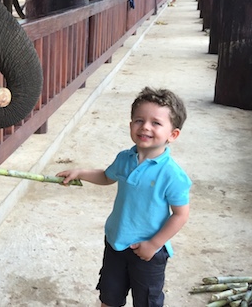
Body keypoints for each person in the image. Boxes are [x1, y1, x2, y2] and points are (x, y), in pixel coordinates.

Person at [56, 87, 191, 307]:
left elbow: (180, 215)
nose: (145, 126)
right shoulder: (124, 158)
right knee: (109, 296)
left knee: (147, 301)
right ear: (131, 125)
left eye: (156, 123)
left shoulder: (172, 175)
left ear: (172, 134)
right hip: (116, 242)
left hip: (148, 252)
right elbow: (107, 177)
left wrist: (154, 244)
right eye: (139, 120)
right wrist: (80, 173)